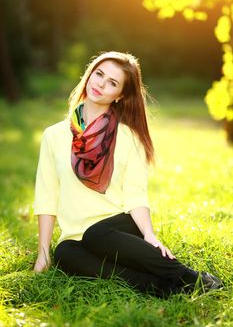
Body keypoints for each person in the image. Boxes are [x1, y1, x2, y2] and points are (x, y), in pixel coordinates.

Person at [33, 51, 222, 297]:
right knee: (65, 253)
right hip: (78, 235)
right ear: (89, 75)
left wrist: (149, 234)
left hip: (118, 226)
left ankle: (194, 279)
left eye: (112, 82)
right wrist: (43, 254)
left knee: (96, 233)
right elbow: (47, 196)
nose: (101, 83)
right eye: (99, 74)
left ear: (120, 95)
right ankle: (164, 289)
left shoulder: (128, 137)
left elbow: (135, 194)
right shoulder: (53, 136)